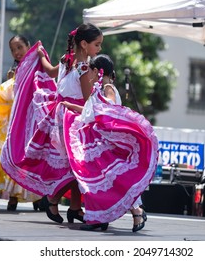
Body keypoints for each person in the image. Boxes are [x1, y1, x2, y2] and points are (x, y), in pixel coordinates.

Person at [0, 23, 103, 224]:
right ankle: (53, 198)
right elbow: (87, 98)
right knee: (77, 165)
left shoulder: (66, 60)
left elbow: (49, 72)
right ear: (84, 44)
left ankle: (74, 207)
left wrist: (40, 57)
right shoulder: (83, 67)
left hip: (60, 114)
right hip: (75, 116)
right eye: (97, 45)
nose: (99, 49)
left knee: (74, 165)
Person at [63, 54, 158, 232]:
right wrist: (72, 106)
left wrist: (92, 111)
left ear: (97, 71)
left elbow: (109, 109)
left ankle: (135, 212)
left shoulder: (108, 88)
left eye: (90, 70)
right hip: (99, 141)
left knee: (113, 180)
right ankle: (101, 216)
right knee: (100, 181)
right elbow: (92, 111)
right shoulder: (99, 89)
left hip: (105, 143)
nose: (88, 74)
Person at [0, 35, 43, 211]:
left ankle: (36, 195)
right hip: (17, 120)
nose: (16, 52)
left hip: (33, 119)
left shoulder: (38, 64)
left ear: (29, 45)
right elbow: (8, 97)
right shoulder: (15, 73)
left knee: (32, 155)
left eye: (19, 47)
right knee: (16, 154)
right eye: (13, 50)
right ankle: (14, 196)